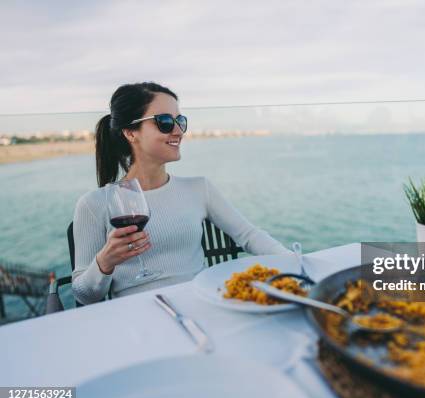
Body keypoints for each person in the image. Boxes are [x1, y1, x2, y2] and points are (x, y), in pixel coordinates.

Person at [72, 82, 289, 304]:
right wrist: (104, 262)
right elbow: (83, 295)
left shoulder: (199, 188)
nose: (178, 131)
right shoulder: (94, 204)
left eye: (180, 121)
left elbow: (250, 236)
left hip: (202, 304)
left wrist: (294, 264)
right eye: (165, 122)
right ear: (130, 133)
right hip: (136, 319)